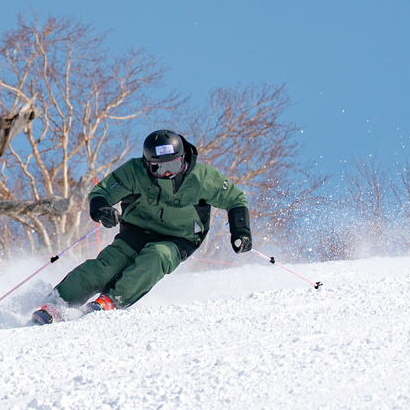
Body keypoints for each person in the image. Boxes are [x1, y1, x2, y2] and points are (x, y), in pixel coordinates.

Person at [32, 129, 252, 323]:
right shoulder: (134, 171)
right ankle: (58, 302)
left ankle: (111, 301)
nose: (167, 173)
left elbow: (235, 200)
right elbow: (102, 193)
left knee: (156, 256)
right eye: (159, 167)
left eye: (174, 165)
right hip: (137, 231)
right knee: (106, 266)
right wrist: (102, 209)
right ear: (148, 164)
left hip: (179, 237)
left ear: (183, 158)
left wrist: (240, 231)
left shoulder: (202, 178)